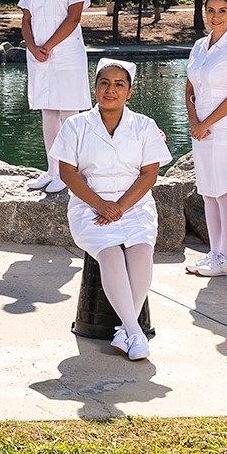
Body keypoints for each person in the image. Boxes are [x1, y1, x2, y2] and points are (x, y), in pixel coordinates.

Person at [56, 59, 171, 361]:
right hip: (89, 206)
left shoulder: (144, 125)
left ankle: (127, 332)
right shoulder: (75, 125)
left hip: (133, 206)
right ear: (94, 87)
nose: (111, 90)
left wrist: (119, 207)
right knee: (110, 252)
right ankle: (134, 332)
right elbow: (68, 173)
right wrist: (101, 205)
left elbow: (149, 174)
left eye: (119, 84)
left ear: (129, 92)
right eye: (104, 83)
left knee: (141, 251)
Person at [184, 0, 227, 276]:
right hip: (201, 130)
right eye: (210, 10)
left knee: (224, 193)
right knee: (208, 193)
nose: (215, 16)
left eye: (222, 11)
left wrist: (205, 124)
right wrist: (193, 122)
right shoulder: (199, 46)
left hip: (225, 130)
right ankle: (213, 254)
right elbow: (189, 87)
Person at [20, 0, 92, 193]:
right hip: (39, 55)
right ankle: (52, 169)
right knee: (48, 111)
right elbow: (26, 18)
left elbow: (74, 18)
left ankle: (69, 171)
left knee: (68, 113)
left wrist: (48, 46)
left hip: (65, 55)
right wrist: (32, 46)